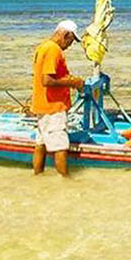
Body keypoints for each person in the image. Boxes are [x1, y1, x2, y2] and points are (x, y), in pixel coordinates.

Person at [31, 20, 85, 177]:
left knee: (41, 144)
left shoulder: (43, 46)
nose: (70, 45)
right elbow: (47, 80)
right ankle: (65, 180)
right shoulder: (53, 50)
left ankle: (38, 175)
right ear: (65, 35)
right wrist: (73, 82)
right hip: (53, 107)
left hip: (42, 105)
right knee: (61, 146)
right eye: (71, 41)